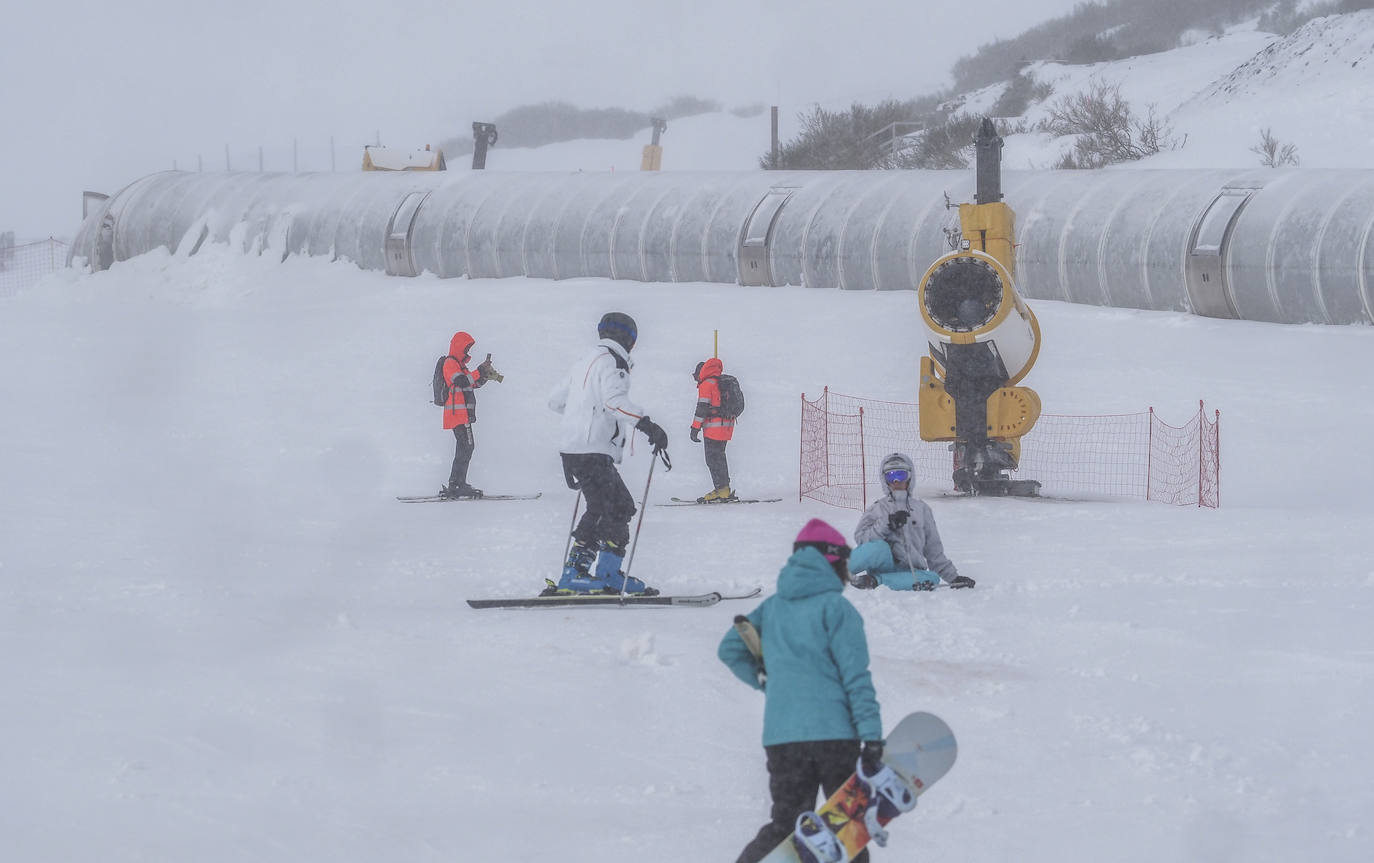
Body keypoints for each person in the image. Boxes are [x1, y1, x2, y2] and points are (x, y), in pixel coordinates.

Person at [718, 518, 884, 863]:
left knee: (785, 827)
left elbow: (730, 649)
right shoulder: (837, 609)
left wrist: (766, 683)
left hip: (784, 739)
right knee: (846, 828)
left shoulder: (772, 607)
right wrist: (873, 738)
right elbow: (856, 678)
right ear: (834, 562)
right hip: (836, 737)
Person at [546, 312, 669, 596]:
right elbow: (614, 402)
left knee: (619, 505)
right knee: (603, 507)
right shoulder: (613, 363)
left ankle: (606, 572)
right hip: (591, 449)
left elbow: (554, 400)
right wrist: (648, 425)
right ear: (628, 338)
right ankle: (575, 573)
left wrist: (582, 415)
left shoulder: (584, 361)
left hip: (576, 447)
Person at [850, 452, 975, 590]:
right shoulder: (877, 508)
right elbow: (861, 540)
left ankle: (875, 581)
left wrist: (953, 578)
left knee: (932, 578)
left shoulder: (921, 509)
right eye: (890, 476)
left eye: (901, 475)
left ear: (910, 477)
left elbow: (934, 550)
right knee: (879, 547)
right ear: (884, 479)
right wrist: (885, 524)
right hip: (883, 565)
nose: (896, 481)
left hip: (910, 573)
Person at [438, 331, 501, 499]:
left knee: (465, 446)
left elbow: (471, 384)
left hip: (460, 414)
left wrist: (485, 375)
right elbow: (462, 381)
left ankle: (456, 483)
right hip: (457, 414)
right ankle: (457, 484)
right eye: (466, 348)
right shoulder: (450, 363)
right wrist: (480, 370)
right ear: (459, 347)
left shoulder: (460, 366)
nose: (467, 352)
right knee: (467, 446)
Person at [689, 357, 737, 502]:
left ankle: (721, 490)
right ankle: (724, 488)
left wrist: (694, 428)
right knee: (719, 457)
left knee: (712, 459)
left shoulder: (706, 384)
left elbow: (701, 408)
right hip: (726, 426)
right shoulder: (718, 381)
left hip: (714, 428)